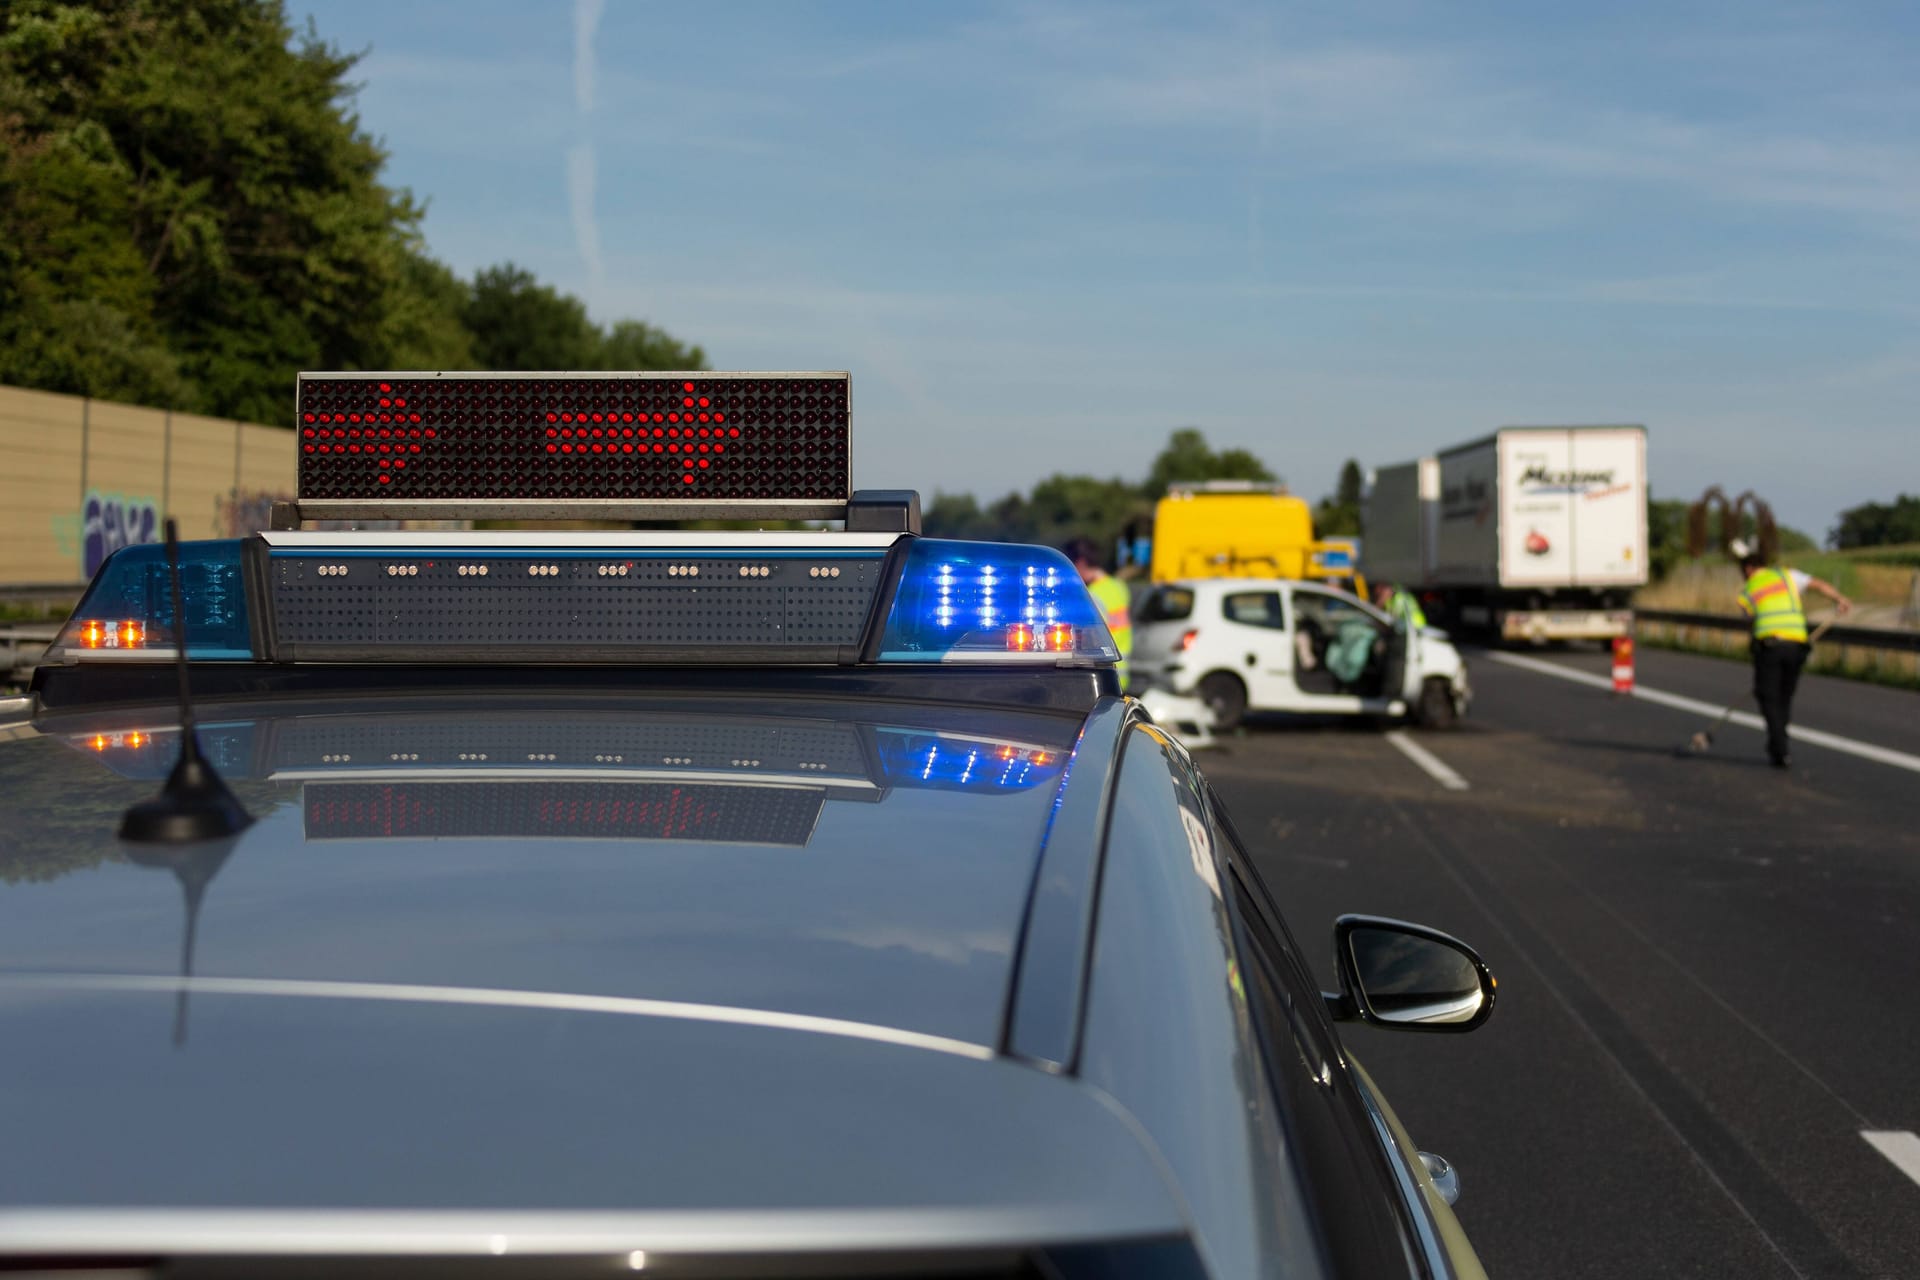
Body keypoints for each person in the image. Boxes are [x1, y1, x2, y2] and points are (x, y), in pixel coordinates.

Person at [1733, 542, 1850, 768]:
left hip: (1770, 646)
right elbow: (1819, 585)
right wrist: (1840, 599)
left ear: (1748, 569)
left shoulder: (1749, 589)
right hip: (1797, 645)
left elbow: (1747, 618)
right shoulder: (1787, 576)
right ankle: (1780, 742)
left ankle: (1779, 745)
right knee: (1784, 695)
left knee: (1767, 695)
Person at [1063, 536, 1132, 688]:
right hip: (1121, 673)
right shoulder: (1118, 586)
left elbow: (1091, 638)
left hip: (1101, 677)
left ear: (1080, 563)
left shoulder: (1092, 595)